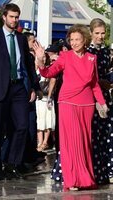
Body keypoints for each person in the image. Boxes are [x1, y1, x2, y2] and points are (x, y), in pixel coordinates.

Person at [33, 24, 108, 191]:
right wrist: (40, 60)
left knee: (84, 143)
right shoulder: (65, 56)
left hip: (87, 105)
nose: (74, 43)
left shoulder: (91, 58)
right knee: (70, 144)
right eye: (71, 40)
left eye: (77, 39)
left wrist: (101, 103)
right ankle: (72, 180)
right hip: (67, 103)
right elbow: (47, 73)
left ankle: (85, 179)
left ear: (85, 40)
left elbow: (95, 83)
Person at [0, 3, 36, 180]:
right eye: (11, 16)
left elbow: (27, 64)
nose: (14, 20)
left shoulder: (20, 38)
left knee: (22, 126)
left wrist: (33, 87)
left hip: (18, 87)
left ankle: (12, 164)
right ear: (4, 17)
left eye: (16, 17)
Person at [87, 18, 113, 184]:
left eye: (103, 33)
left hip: (105, 98)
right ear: (91, 33)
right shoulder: (87, 52)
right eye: (97, 33)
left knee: (106, 134)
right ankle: (93, 171)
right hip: (89, 98)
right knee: (92, 135)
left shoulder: (104, 52)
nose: (100, 36)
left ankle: (106, 170)